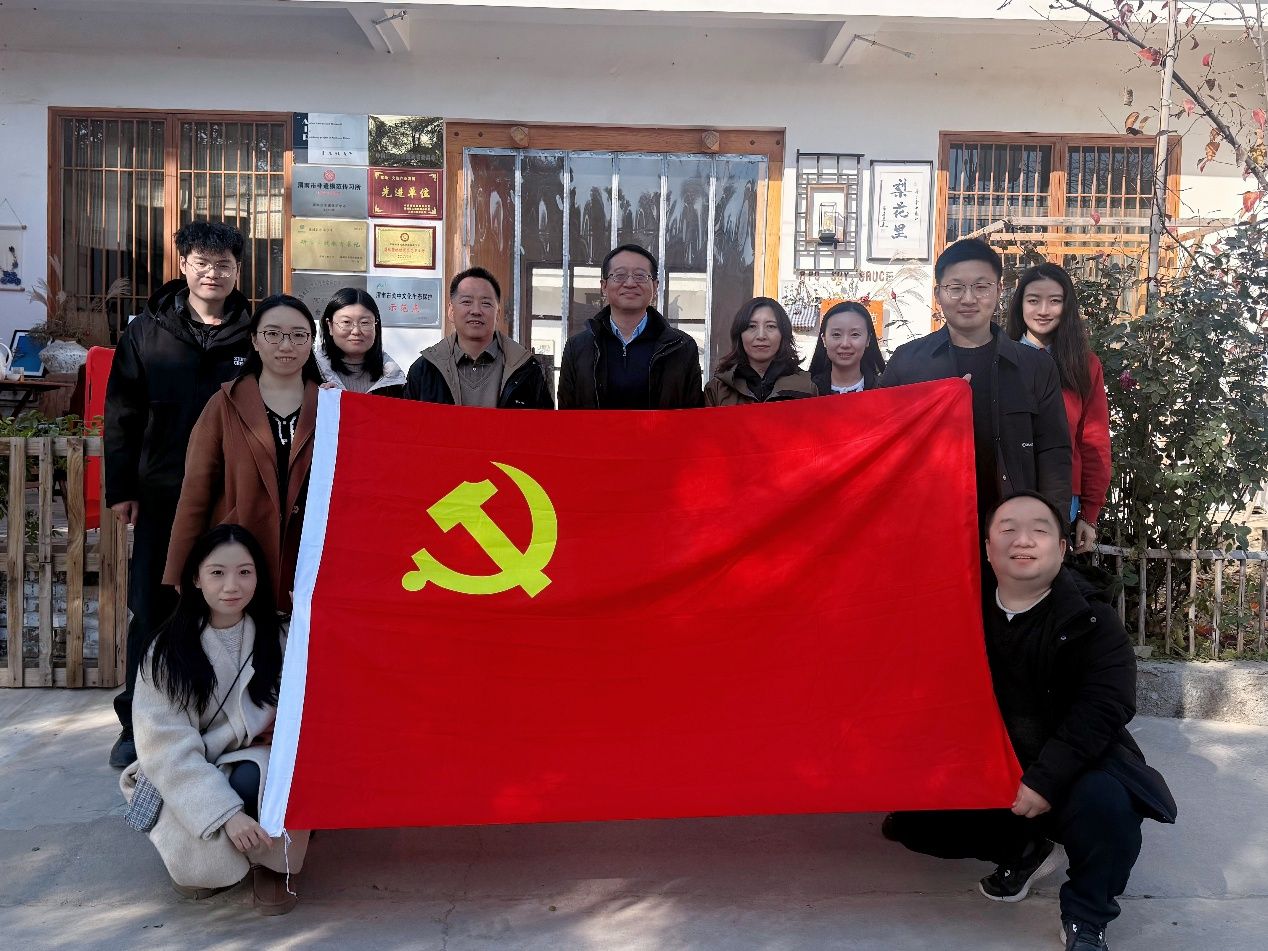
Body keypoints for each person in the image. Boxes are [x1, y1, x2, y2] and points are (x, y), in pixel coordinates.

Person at [882, 491, 1176, 951]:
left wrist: (1045, 780)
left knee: (1108, 809)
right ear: (987, 548)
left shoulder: (1092, 619)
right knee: (913, 823)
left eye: (1039, 531)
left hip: (1073, 760)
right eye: (1008, 530)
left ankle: (1086, 914)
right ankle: (1024, 848)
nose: (1023, 541)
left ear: (1061, 548)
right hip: (990, 758)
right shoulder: (959, 609)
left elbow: (1106, 706)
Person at [104, 220, 254, 769]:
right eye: (203, 262)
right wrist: (122, 488)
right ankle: (135, 725)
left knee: (231, 603)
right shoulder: (147, 332)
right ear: (184, 265)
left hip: (230, 495)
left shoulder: (253, 334)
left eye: (224, 264)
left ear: (238, 271)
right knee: (152, 607)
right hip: (163, 492)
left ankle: (223, 718)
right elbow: (121, 414)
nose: (213, 273)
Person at [121, 524, 309, 915]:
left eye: (245, 572)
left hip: (258, 758)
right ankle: (212, 845)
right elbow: (164, 745)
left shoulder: (282, 634)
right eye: (217, 573)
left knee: (262, 774)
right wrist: (225, 813)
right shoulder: (165, 650)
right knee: (200, 873)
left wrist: (311, 618)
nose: (231, 586)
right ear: (196, 579)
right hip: (192, 764)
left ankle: (272, 864)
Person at [880, 238, 1072, 527]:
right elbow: (881, 443)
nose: (968, 299)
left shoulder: (1035, 366)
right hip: (927, 522)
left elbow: (1053, 451)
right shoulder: (908, 362)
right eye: (955, 288)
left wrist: (1052, 525)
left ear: (999, 290)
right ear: (938, 293)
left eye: (981, 287)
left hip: (1013, 526)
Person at [163, 294, 321, 613]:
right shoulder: (225, 403)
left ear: (311, 342)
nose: (286, 345)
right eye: (272, 333)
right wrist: (182, 564)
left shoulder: (331, 405)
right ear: (255, 340)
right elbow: (196, 491)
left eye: (298, 335)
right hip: (239, 555)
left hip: (309, 557)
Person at [1006, 263, 1110, 555]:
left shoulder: (1084, 366)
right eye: (1033, 300)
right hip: (1006, 492)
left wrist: (1090, 513)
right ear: (1020, 305)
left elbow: (1094, 442)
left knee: (1050, 575)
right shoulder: (1001, 360)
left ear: (1067, 306)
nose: (1043, 310)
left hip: (1063, 498)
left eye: (1054, 301)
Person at [558, 244, 704, 409]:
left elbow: (693, 415)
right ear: (604, 286)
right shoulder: (577, 348)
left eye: (640, 276)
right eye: (619, 275)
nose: (630, 283)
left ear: (655, 286)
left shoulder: (681, 347)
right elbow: (566, 415)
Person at [403, 267, 553, 408]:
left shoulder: (527, 370)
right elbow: (407, 424)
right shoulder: (424, 370)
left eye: (485, 303)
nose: (476, 311)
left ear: (498, 314)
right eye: (466, 302)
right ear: (451, 311)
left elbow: (544, 424)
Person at [704, 297, 816, 406]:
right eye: (752, 326)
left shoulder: (806, 387)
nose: (761, 336)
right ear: (739, 334)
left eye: (771, 326)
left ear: (783, 333)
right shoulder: (717, 388)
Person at [315, 288, 407, 396]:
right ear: (330, 326)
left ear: (376, 326)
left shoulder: (394, 379)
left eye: (365, 322)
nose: (356, 331)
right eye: (346, 322)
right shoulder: (311, 371)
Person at [809, 301, 886, 395]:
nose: (845, 344)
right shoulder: (806, 391)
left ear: (868, 340)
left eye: (855, 334)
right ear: (824, 339)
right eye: (836, 334)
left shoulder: (884, 391)